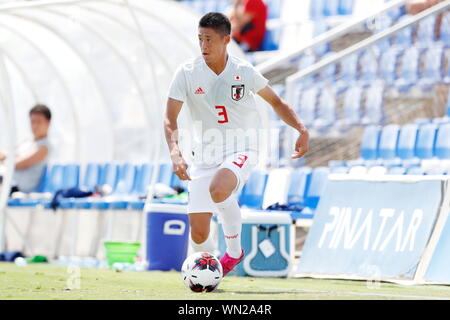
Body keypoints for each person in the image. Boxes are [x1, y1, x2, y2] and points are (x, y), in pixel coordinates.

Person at [164, 12, 309, 277]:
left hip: (242, 146)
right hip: (204, 152)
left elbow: (276, 102)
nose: (203, 46)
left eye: (209, 39)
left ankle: (233, 251)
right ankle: (208, 271)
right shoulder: (186, 73)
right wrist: (175, 152)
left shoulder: (244, 72)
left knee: (219, 189)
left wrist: (300, 128)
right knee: (198, 231)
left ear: (226, 40)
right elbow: (170, 117)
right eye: (200, 39)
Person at [0, 104, 52, 194]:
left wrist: (9, 158)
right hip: (8, 181)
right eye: (32, 122)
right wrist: (11, 158)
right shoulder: (27, 142)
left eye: (39, 122)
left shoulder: (44, 147)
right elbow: (5, 154)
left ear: (48, 123)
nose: (35, 126)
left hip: (19, 187)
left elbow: (17, 164)